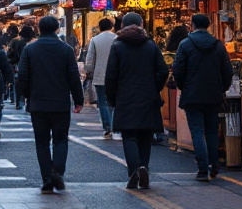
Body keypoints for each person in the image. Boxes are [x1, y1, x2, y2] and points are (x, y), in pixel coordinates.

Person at [16, 16, 83, 194]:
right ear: (56, 29)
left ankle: (47, 177)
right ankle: (57, 171)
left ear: (39, 29)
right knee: (61, 139)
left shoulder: (30, 50)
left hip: (38, 102)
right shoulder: (66, 49)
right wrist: (79, 100)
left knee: (42, 142)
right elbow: (74, 77)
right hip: (60, 102)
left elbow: (22, 76)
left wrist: (24, 96)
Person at [105, 13, 169, 189]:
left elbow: (111, 75)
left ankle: (135, 169)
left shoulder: (117, 46)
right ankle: (143, 168)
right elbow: (163, 70)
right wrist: (154, 87)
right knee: (145, 136)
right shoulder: (150, 45)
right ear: (141, 24)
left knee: (129, 135)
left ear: (122, 25)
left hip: (125, 97)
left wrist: (112, 97)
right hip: (148, 97)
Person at [172, 13, 234, 181]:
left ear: (192, 25)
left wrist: (185, 87)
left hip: (192, 95)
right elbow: (228, 71)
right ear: (208, 25)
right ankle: (214, 165)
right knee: (212, 131)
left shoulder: (185, 45)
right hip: (213, 95)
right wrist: (222, 89)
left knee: (197, 131)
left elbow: (178, 70)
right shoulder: (218, 45)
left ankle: (202, 169)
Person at [84, 17, 117, 139]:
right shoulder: (117, 39)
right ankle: (114, 124)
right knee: (114, 102)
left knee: (102, 102)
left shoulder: (95, 40)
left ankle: (107, 127)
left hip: (100, 75)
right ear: (111, 27)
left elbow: (90, 58)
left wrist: (88, 71)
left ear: (100, 27)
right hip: (115, 76)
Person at [7, 24, 34, 108]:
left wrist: (12, 62)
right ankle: (28, 102)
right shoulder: (34, 42)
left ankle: (18, 102)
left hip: (17, 66)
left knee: (18, 84)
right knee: (31, 85)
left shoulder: (14, 41)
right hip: (32, 68)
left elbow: (9, 54)